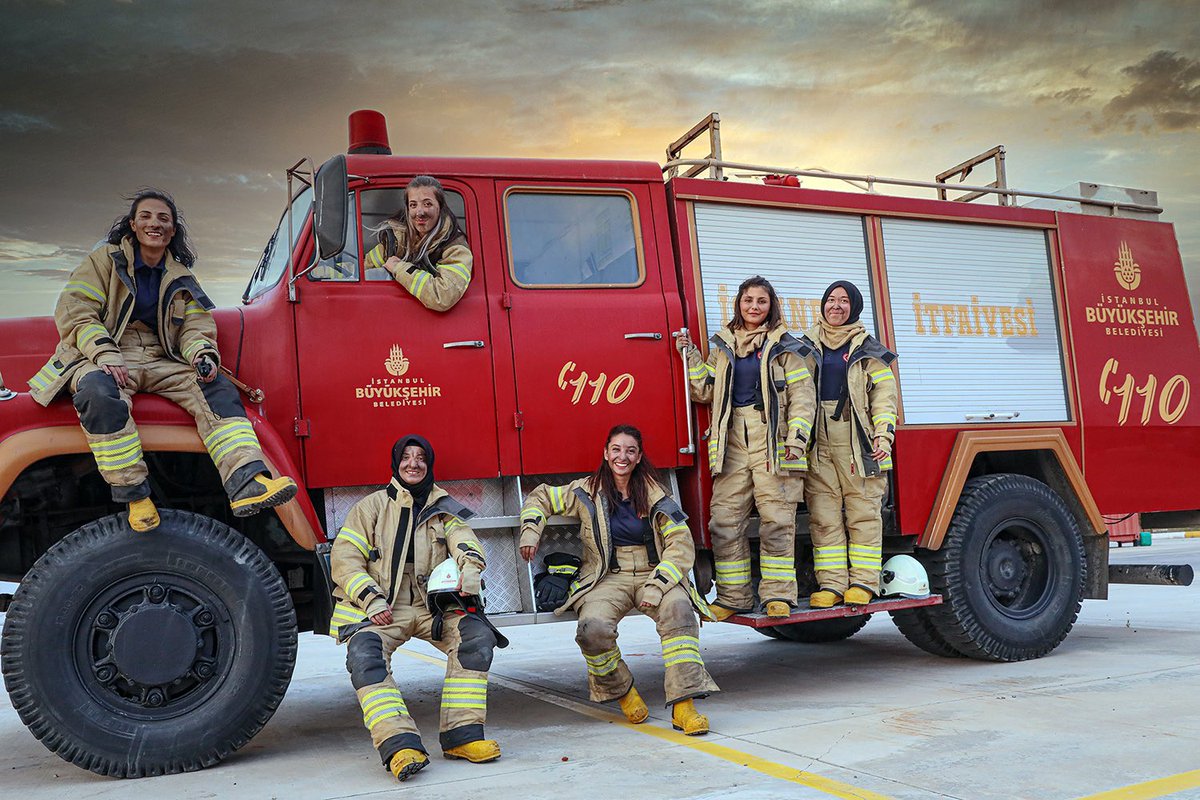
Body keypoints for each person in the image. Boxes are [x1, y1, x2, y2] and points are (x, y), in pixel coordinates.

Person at [28, 189, 296, 532]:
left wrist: (201, 353)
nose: (155, 223)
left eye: (163, 219)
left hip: (161, 356)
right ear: (133, 225)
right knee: (98, 393)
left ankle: (247, 482)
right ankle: (136, 497)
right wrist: (104, 351)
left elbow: (196, 324)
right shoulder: (103, 262)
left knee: (216, 388)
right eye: (147, 216)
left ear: (172, 231)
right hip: (103, 352)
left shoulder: (180, 276)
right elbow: (75, 309)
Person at [519, 425, 718, 735]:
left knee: (679, 612)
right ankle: (625, 694)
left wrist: (657, 584)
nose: (622, 456)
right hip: (607, 577)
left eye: (630, 450)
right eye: (616, 449)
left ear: (639, 457)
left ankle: (685, 705)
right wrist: (531, 530)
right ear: (605, 453)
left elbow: (680, 545)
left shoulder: (656, 494)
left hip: (655, 572)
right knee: (591, 630)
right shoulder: (586, 491)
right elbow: (540, 497)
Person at [330, 434, 505, 782]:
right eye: (407, 457)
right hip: (382, 606)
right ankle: (399, 745)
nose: (414, 464)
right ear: (396, 463)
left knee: (476, 636)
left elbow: (465, 541)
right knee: (365, 655)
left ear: (429, 464)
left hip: (432, 609)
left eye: (421, 457)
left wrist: (471, 570)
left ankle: (462, 736)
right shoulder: (371, 508)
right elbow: (344, 560)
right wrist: (371, 599)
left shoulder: (444, 508)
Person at [676, 276, 815, 620]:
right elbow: (704, 390)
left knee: (776, 521)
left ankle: (778, 595)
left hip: (774, 439)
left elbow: (803, 398)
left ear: (772, 306)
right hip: (732, 439)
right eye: (748, 300)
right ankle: (733, 597)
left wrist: (797, 439)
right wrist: (689, 353)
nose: (754, 306)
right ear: (738, 304)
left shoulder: (786, 347)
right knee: (723, 520)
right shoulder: (723, 345)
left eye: (761, 301)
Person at [801, 281, 898, 608]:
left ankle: (863, 582)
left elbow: (885, 397)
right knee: (823, 513)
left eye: (844, 301)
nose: (836, 306)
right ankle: (831, 585)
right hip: (817, 439)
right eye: (831, 299)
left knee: (863, 511)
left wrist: (883, 434)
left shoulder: (868, 349)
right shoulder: (806, 346)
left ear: (854, 307)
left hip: (857, 438)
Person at [363, 175, 473, 311]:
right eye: (413, 205)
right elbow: (361, 270)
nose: (419, 212)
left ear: (440, 207)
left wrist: (399, 268)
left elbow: (443, 296)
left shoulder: (456, 248)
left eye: (427, 204)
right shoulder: (396, 241)